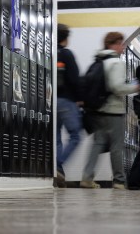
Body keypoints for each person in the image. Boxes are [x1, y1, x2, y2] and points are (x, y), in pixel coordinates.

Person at [80, 32, 140, 189]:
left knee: (98, 143)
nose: (123, 47)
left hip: (98, 110)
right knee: (117, 146)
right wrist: (134, 87)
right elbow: (117, 86)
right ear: (112, 45)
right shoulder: (116, 63)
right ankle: (119, 180)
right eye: (121, 44)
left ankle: (87, 176)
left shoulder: (99, 61)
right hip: (113, 110)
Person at [56, 24, 83, 187]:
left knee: (57, 138)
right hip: (67, 101)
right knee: (75, 136)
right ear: (66, 38)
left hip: (53, 101)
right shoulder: (67, 54)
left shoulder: (51, 53)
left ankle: (58, 169)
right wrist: (80, 99)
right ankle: (58, 164)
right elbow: (74, 78)